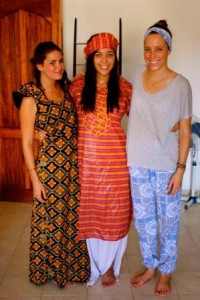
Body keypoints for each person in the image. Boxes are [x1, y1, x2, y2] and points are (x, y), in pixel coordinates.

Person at [12, 41, 90, 287]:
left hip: (73, 165)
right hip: (49, 168)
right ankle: (49, 271)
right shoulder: (31, 97)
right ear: (39, 65)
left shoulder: (66, 89)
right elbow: (26, 144)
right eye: (52, 62)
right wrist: (34, 180)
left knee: (72, 218)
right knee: (50, 220)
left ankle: (73, 269)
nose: (58, 66)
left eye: (61, 61)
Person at [126, 20, 192, 296]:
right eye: (148, 49)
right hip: (137, 161)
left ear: (168, 50)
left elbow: (186, 132)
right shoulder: (137, 73)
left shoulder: (181, 85)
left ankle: (165, 271)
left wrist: (180, 170)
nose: (152, 56)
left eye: (159, 49)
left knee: (168, 221)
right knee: (144, 221)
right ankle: (151, 266)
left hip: (166, 165)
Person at [69, 32, 132, 287]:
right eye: (98, 55)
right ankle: (93, 264)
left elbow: (144, 119)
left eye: (109, 54)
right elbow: (60, 113)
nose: (104, 60)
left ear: (115, 58)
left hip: (116, 162)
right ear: (90, 57)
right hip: (87, 164)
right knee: (91, 213)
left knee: (116, 214)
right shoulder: (77, 86)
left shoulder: (125, 87)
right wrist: (42, 130)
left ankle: (108, 267)